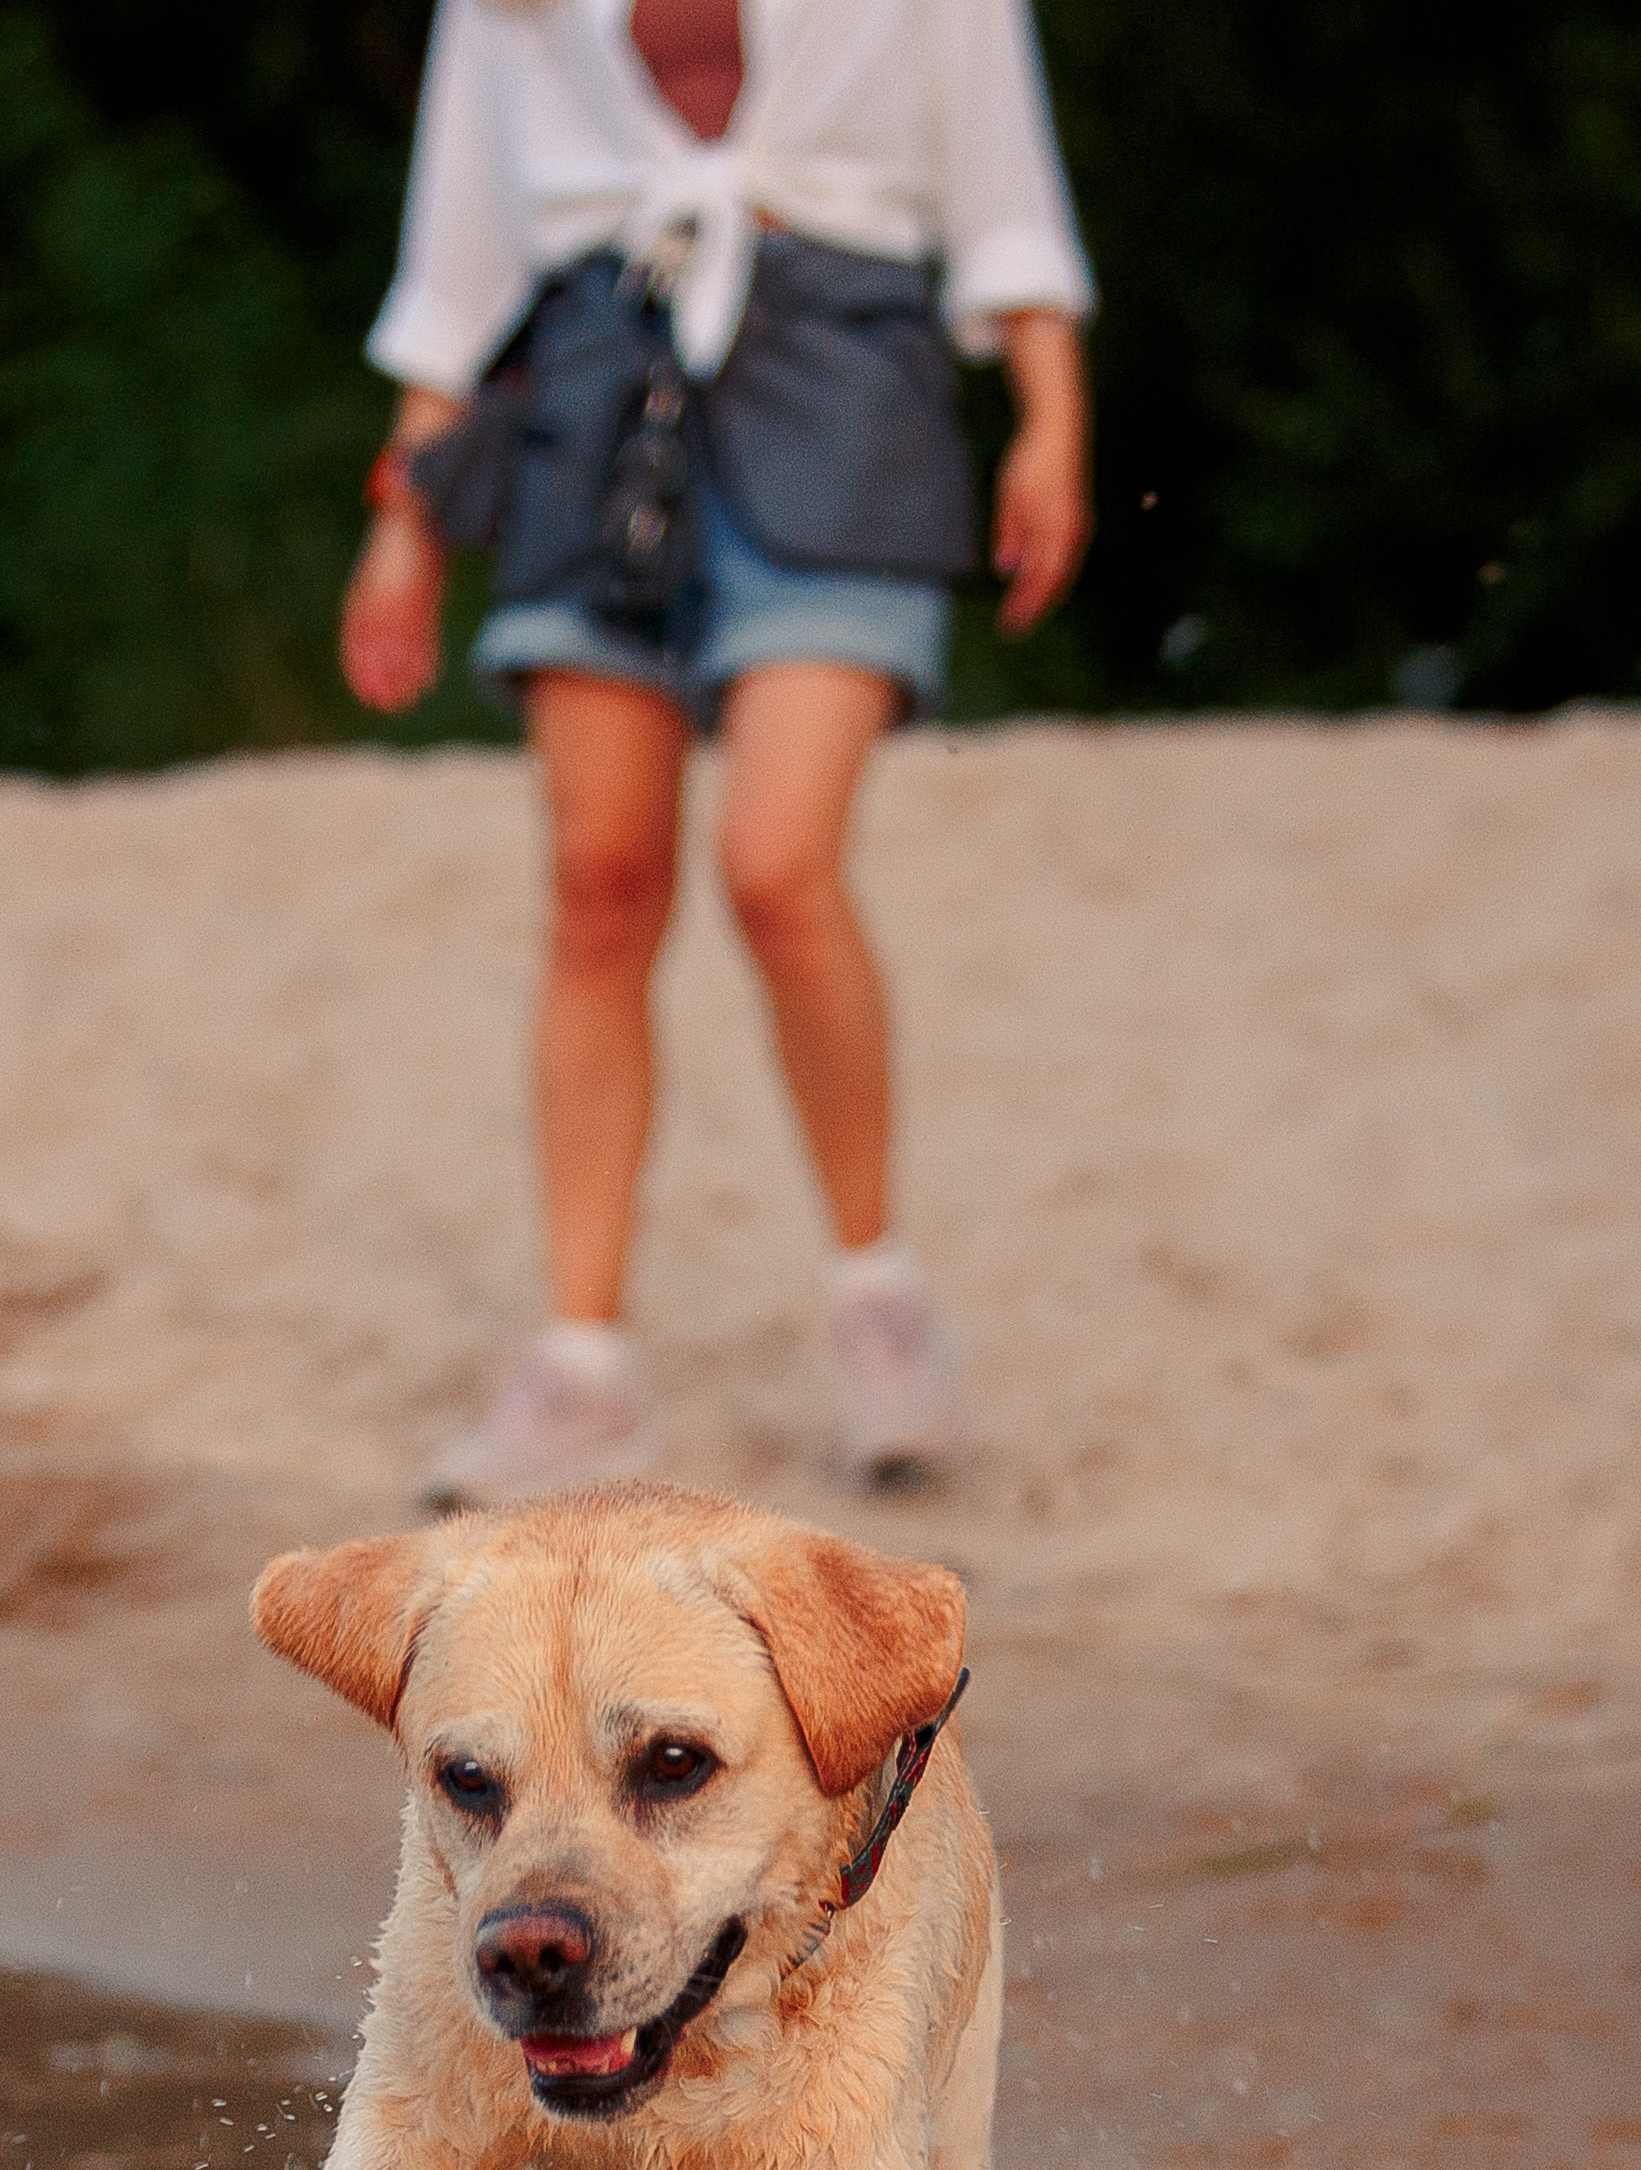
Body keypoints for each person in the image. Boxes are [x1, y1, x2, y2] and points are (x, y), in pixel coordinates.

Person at [341, 0, 1095, 1507]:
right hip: (595, 400)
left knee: (776, 865)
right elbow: (458, 262)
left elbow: (1007, 201)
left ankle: (879, 1296)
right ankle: (580, 1362)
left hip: (842, 390)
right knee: (601, 883)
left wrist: (1049, 421)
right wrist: (401, 525)